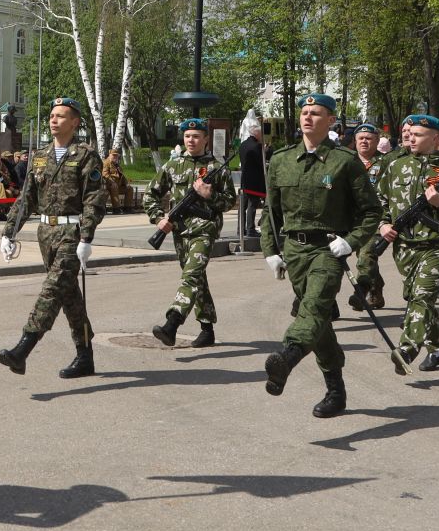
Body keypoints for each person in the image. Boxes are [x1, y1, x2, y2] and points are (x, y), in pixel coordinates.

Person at [259, 95, 381, 417]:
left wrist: (351, 242)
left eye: (317, 113)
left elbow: (371, 211)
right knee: (319, 319)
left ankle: (287, 357)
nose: (308, 118)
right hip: (294, 251)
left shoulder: (345, 161)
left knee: (312, 307)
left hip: (327, 249)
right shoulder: (282, 160)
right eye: (304, 112)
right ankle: (336, 390)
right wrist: (270, 251)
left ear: (331, 121)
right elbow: (270, 212)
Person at [0, 97, 107, 380]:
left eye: (61, 116)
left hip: (71, 233)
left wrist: (87, 237)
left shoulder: (85, 155)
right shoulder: (41, 156)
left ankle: (23, 349)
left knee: (52, 289)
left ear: (75, 122)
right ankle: (85, 358)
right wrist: (9, 232)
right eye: (52, 115)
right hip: (46, 234)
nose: (53, 120)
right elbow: (27, 199)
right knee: (69, 297)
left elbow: (94, 199)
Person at [373, 114, 439, 371]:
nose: (411, 137)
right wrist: (383, 224)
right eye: (409, 133)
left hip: (434, 245)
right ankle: (438, 346)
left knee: (421, 296)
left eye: (418, 134)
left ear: (434, 139)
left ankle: (407, 348)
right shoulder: (395, 166)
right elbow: (380, 202)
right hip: (403, 247)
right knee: (418, 298)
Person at [145, 118, 236, 348]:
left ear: (206, 139)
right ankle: (207, 330)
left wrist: (209, 196)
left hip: (205, 231)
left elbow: (229, 202)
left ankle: (172, 323)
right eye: (187, 136)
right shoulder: (172, 166)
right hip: (180, 231)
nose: (191, 140)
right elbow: (150, 194)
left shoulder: (216, 168)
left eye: (196, 136)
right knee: (198, 280)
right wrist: (159, 219)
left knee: (191, 276)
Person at [346, 123, 388, 312]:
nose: (364, 141)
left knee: (366, 255)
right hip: (348, 219)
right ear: (354, 141)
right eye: (360, 138)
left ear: (377, 141)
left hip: (373, 219)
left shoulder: (387, 163)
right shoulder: (347, 161)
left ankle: (361, 291)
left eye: (368, 138)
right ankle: (376, 287)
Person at [236, 115, 266, 251]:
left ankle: (240, 229)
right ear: (257, 133)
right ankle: (250, 229)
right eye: (261, 133)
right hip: (254, 181)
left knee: (242, 207)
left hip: (244, 179)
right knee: (252, 206)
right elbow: (261, 164)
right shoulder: (256, 146)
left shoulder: (243, 145)